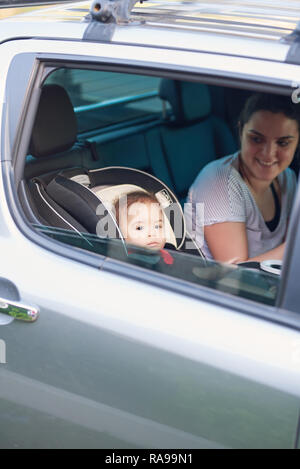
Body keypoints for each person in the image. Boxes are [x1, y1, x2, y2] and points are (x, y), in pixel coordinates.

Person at [186, 92, 299, 263]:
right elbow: (235, 273)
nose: (268, 154)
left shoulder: (287, 178)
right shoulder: (218, 182)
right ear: (240, 132)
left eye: (283, 143)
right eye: (256, 139)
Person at [114, 191, 174, 265]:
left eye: (158, 226)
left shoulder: (169, 253)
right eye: (139, 228)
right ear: (120, 234)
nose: (152, 233)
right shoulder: (127, 264)